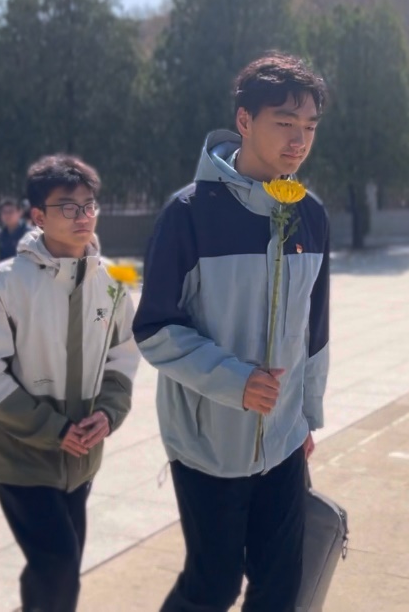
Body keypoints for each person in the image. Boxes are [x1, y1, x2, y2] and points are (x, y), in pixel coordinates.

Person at [133, 53, 331, 612]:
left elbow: (315, 329)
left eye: (309, 126)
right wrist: (235, 381)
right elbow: (153, 327)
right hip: (207, 444)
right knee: (212, 588)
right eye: (284, 123)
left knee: (280, 589)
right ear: (244, 120)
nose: (299, 140)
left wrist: (306, 416)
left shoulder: (311, 214)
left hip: (283, 440)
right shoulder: (189, 214)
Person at [0, 155, 139, 612]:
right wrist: (54, 429)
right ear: (38, 216)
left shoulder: (112, 282)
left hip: (82, 458)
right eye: (67, 206)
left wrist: (108, 414)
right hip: (22, 455)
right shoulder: (6, 283)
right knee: (58, 566)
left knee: (60, 571)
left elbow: (123, 353)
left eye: (88, 205)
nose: (82, 215)